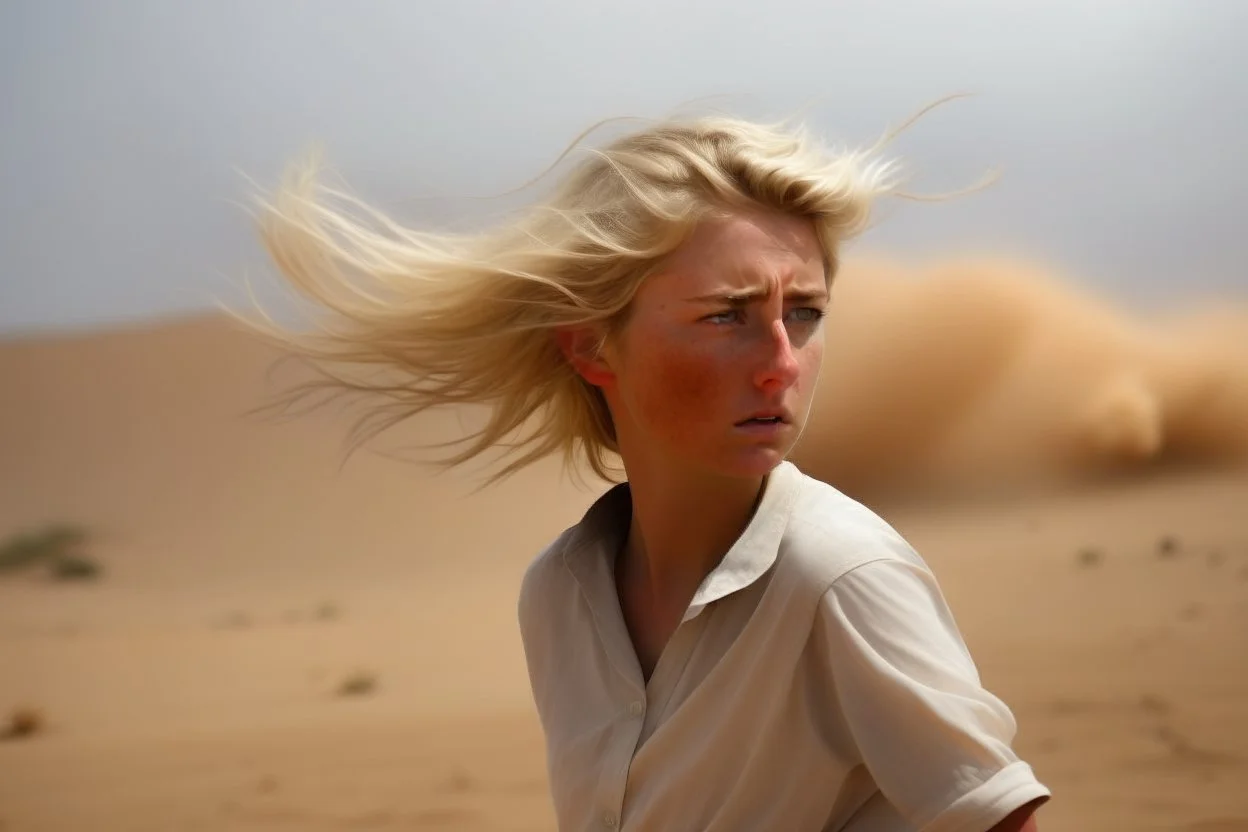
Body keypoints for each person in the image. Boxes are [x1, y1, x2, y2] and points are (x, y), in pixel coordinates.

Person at [249, 108, 1051, 831]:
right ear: (591, 343)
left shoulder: (840, 579)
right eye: (726, 316)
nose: (781, 362)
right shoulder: (560, 593)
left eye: (803, 312)